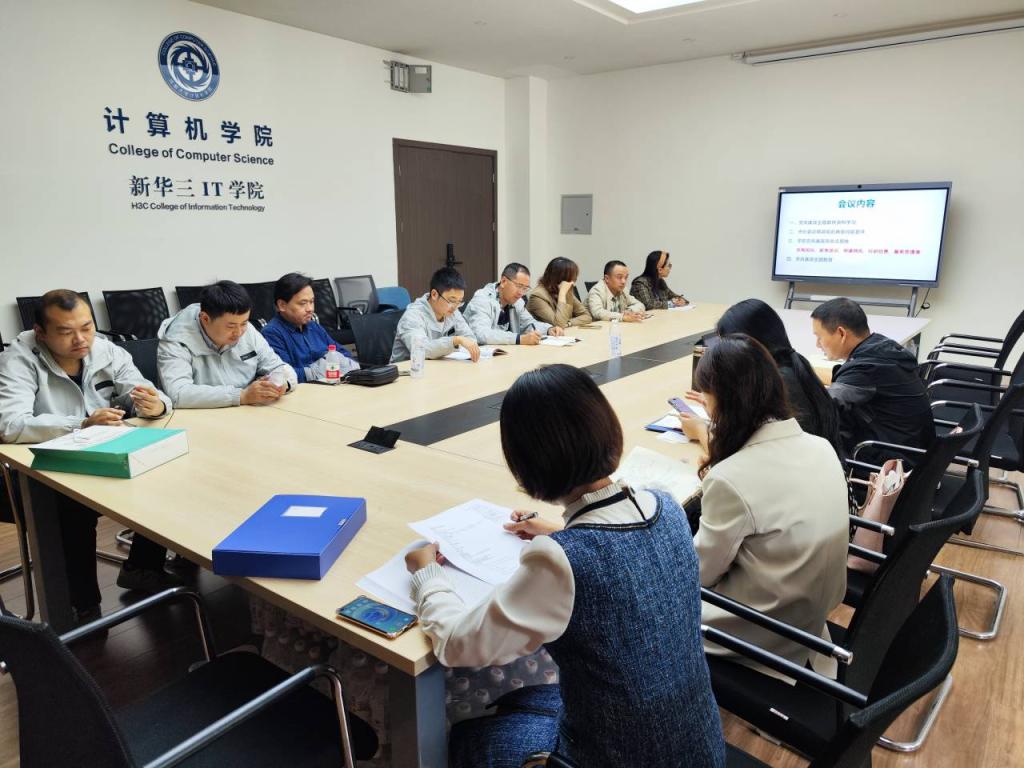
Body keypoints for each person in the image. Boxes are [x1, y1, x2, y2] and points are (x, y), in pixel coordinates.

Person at [405, 364, 726, 768]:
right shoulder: (667, 506)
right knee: (529, 699)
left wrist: (426, 575)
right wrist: (559, 530)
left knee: (470, 735)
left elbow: (457, 644)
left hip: (613, 759)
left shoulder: (561, 560)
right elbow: (620, 551)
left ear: (525, 464)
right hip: (700, 747)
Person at [0, 290, 180, 622]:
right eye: (66, 332)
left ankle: (143, 568)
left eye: (87, 327)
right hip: (39, 470)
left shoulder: (106, 350)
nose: (81, 339)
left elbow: (147, 392)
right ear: (40, 332)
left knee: (165, 470)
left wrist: (156, 405)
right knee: (72, 508)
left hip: (99, 455)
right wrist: (80, 424)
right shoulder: (18, 359)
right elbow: (9, 425)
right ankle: (81, 606)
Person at [678, 335, 848, 677]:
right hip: (812, 619)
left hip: (760, 635)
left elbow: (698, 575)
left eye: (707, 399)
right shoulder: (819, 446)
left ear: (724, 402)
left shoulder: (731, 479)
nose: (706, 408)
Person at [707, 298, 843, 457]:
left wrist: (702, 431)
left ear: (749, 344)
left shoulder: (775, 386)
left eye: (727, 344)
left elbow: (745, 456)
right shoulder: (792, 363)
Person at [810, 297, 936, 459]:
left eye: (819, 337)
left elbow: (823, 407)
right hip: (913, 449)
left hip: (893, 462)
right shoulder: (881, 348)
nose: (817, 344)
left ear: (841, 333)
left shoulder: (867, 368)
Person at [157, 280, 297, 408]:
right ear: (205, 319)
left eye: (244, 323)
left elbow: (279, 368)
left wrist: (282, 383)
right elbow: (178, 393)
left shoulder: (246, 329)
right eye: (231, 326)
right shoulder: (176, 340)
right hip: (201, 417)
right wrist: (241, 396)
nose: (239, 332)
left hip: (246, 411)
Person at [261, 272, 359, 382]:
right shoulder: (272, 333)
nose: (310, 309)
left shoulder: (313, 326)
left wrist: (332, 364)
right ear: (282, 305)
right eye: (303, 303)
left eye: (311, 302)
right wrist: (317, 370)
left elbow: (343, 354)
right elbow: (284, 374)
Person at [390, 267, 481, 363]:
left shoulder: (452, 310)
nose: (455, 307)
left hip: (438, 366)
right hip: (408, 369)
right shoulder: (412, 316)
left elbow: (470, 339)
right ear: (434, 294)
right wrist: (454, 341)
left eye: (459, 301)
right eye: (452, 300)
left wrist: (461, 343)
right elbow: (422, 350)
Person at [463, 263, 565, 345]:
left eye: (525, 288)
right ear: (503, 281)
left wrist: (548, 329)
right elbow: (481, 334)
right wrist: (518, 339)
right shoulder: (482, 299)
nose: (521, 293)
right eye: (519, 286)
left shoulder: (517, 301)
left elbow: (529, 324)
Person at [525, 258, 594, 329]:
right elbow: (558, 325)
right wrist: (562, 294)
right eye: (571, 279)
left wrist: (569, 323)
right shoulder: (537, 296)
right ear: (560, 279)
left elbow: (587, 316)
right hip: (543, 335)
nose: (573, 283)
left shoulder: (566, 291)